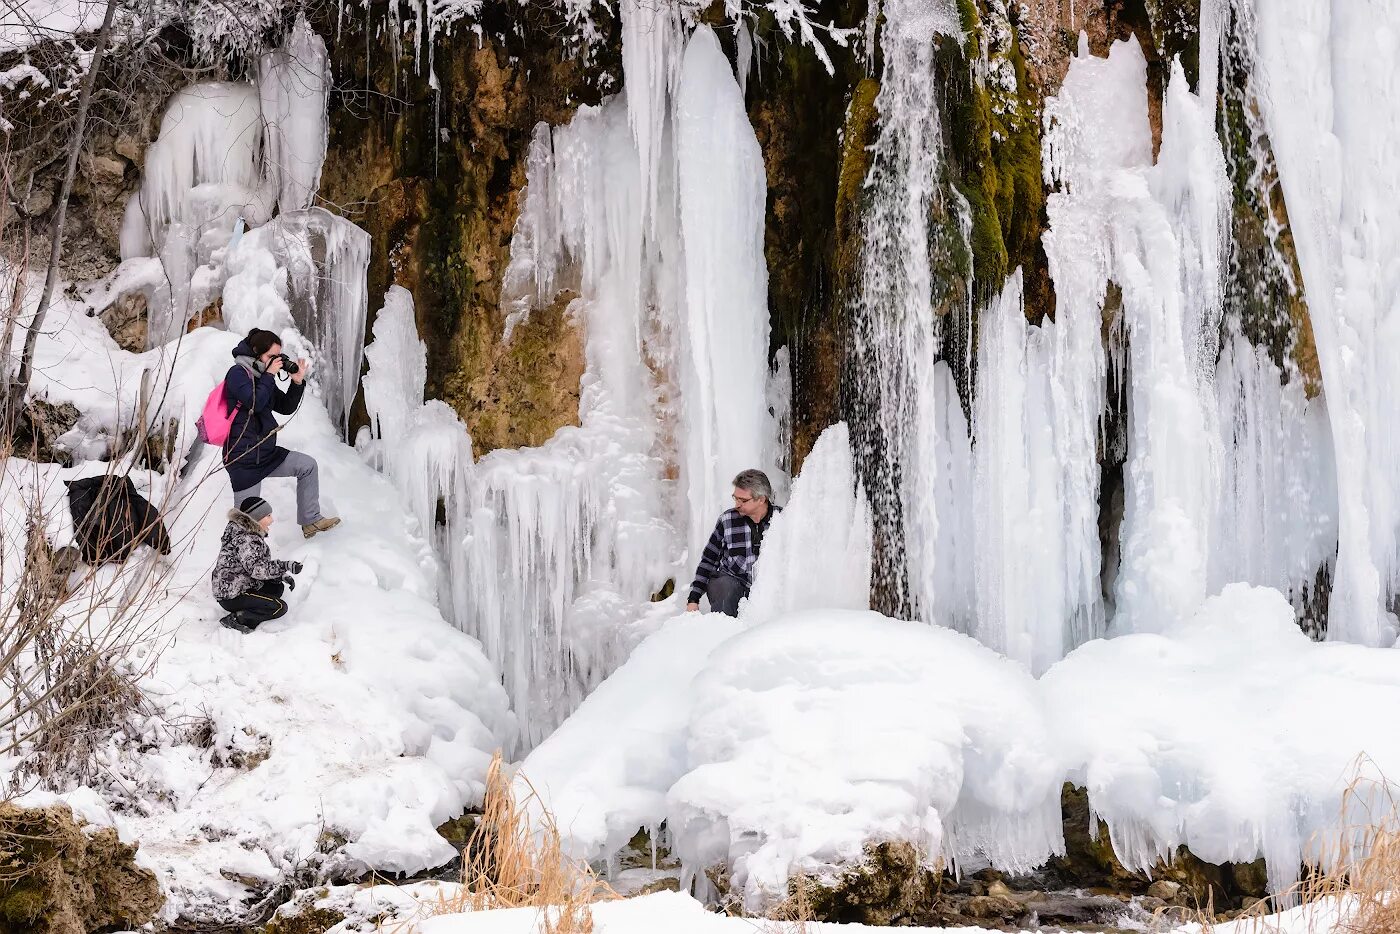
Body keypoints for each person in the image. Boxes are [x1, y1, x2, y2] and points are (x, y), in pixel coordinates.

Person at [222, 328, 340, 539]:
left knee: (307, 465)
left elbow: (285, 406)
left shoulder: (263, 376)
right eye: (270, 357)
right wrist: (268, 375)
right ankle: (236, 564)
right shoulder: (238, 373)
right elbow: (255, 403)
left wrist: (296, 382)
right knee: (244, 526)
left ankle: (311, 520)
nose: (274, 361)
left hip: (266, 454)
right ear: (256, 352)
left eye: (277, 357)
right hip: (243, 459)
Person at [686, 469, 782, 617]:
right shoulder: (727, 520)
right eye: (735, 498)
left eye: (743, 500)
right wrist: (693, 599)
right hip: (733, 586)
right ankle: (725, 633)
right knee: (723, 585)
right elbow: (708, 560)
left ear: (761, 499)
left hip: (770, 589)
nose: (737, 504)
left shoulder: (782, 519)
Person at [212, 496, 303, 632]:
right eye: (268, 516)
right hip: (232, 594)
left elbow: (257, 564)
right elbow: (257, 569)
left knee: (276, 588)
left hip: (240, 584)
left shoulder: (246, 533)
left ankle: (251, 607)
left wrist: (281, 576)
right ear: (256, 518)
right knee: (279, 607)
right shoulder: (246, 539)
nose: (271, 520)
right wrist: (285, 565)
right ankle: (237, 619)